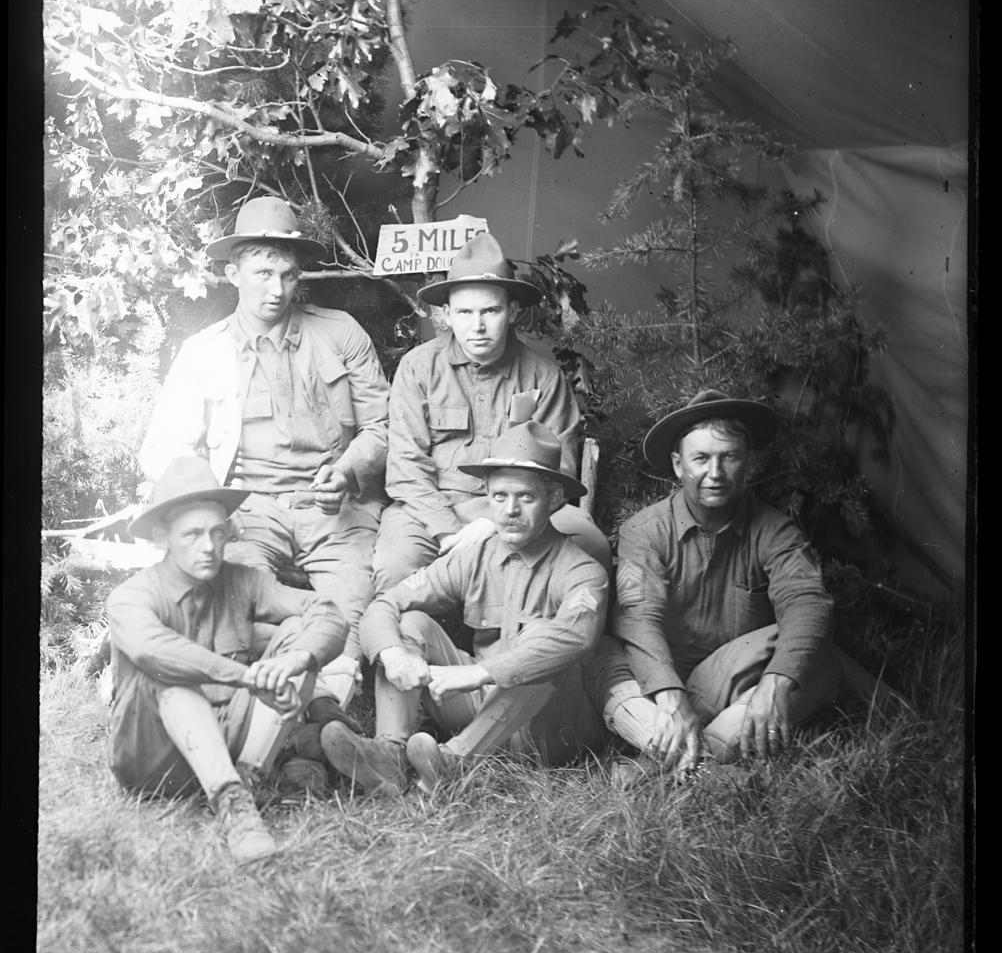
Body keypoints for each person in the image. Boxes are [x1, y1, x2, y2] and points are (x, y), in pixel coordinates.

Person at [138, 196, 391, 708]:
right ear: (233, 273)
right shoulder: (204, 351)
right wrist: (212, 503)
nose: (276, 290)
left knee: (347, 610)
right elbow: (163, 446)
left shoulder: (340, 334)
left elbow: (384, 426)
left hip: (334, 511)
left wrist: (346, 472)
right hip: (247, 511)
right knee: (238, 596)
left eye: (289, 275)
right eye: (262, 273)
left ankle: (324, 714)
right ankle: (261, 709)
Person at [320, 421, 621, 795]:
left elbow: (576, 637)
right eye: (499, 497)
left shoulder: (580, 567)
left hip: (552, 729)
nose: (509, 510)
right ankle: (390, 755)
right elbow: (386, 602)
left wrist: (479, 672)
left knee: (543, 645)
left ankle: (453, 763)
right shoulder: (475, 557)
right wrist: (392, 652)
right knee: (408, 623)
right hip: (487, 708)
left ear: (555, 498)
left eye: (525, 498)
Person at [107, 457, 350, 863]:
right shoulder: (133, 595)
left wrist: (296, 660)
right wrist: (247, 677)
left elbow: (326, 611)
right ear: (163, 536)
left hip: (228, 735)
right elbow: (154, 650)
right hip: (154, 759)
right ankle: (234, 806)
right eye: (193, 534)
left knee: (295, 637)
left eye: (218, 532)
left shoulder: (243, 580)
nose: (208, 546)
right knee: (171, 674)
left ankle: (248, 778)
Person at [602, 389, 843, 777]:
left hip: (736, 679)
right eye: (701, 459)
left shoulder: (775, 530)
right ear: (679, 466)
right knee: (608, 655)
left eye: (728, 457)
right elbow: (638, 619)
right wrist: (670, 695)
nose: (715, 474)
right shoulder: (644, 531)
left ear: (747, 463)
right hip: (665, 679)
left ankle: (654, 768)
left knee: (811, 659)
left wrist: (776, 682)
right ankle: (711, 770)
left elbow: (807, 602)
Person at [371, 231, 611, 592]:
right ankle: (404, 646)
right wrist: (448, 530)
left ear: (512, 311)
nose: (478, 325)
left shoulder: (543, 377)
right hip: (430, 507)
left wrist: (496, 521)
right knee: (395, 567)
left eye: (491, 311)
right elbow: (406, 467)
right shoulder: (418, 368)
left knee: (590, 546)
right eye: (465, 312)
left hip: (522, 506)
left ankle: (545, 645)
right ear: (447, 315)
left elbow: (558, 471)